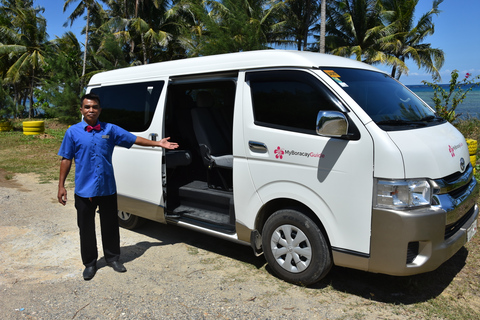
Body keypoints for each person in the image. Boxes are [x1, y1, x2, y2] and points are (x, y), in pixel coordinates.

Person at [57, 93, 178, 281]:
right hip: (84, 190)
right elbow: (66, 159)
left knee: (111, 225)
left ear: (100, 110)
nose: (91, 110)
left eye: (95, 107)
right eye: (87, 107)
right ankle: (90, 263)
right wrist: (61, 186)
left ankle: (113, 258)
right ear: (81, 110)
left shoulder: (110, 130)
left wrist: (157, 143)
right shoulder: (72, 132)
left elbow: (133, 139)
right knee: (86, 228)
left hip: (107, 188)